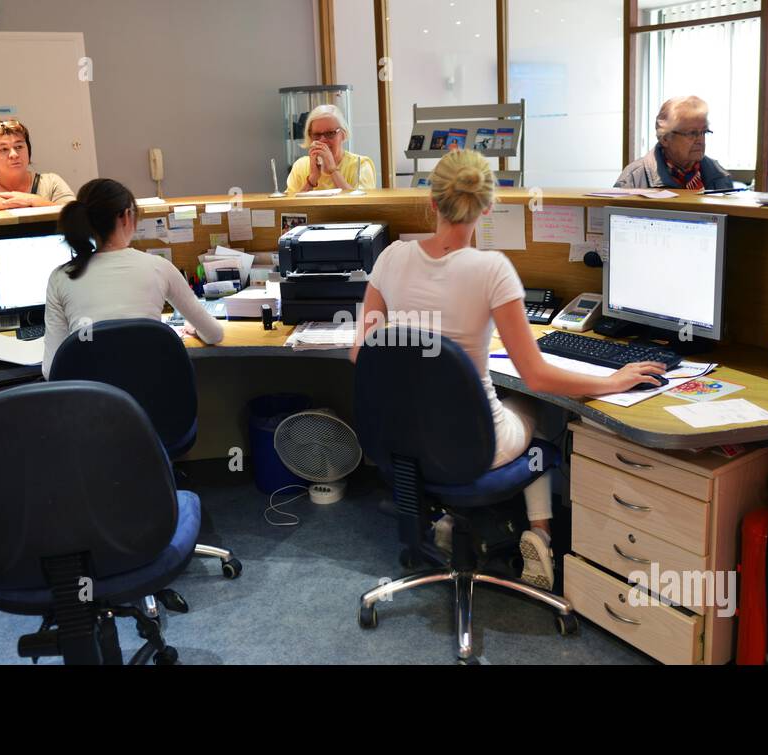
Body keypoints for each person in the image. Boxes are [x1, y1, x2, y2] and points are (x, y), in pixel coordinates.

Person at [351, 150, 666, 589]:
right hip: (475, 450)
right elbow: (537, 377)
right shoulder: (492, 269)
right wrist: (610, 381)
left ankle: (445, 519)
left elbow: (361, 354)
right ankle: (540, 536)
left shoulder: (390, 259)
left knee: (481, 401)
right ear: (488, 207)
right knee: (533, 406)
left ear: (431, 203)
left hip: (402, 448)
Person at [42, 178, 223, 377]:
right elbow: (214, 334)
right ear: (126, 216)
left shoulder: (60, 277)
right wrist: (195, 328)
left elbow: (51, 370)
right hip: (156, 404)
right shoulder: (159, 267)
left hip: (93, 405)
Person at [615, 96, 735, 191]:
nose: (700, 140)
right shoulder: (633, 179)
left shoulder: (720, 177)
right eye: (692, 133)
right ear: (665, 138)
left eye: (704, 132)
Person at [0, 119, 77, 209]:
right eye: (3, 149)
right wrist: (4, 203)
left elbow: (76, 216)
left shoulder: (50, 183)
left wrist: (33, 201)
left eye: (19, 147)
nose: (14, 154)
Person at [285, 104, 376, 193]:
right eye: (317, 135)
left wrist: (333, 170)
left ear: (343, 134)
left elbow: (362, 205)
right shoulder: (300, 166)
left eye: (330, 133)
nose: (323, 140)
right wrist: (312, 179)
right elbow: (288, 206)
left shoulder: (361, 164)